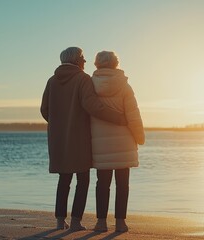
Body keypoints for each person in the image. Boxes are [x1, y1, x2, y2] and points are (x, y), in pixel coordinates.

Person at [40, 47, 127, 231]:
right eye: (82, 57)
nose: (85, 60)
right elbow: (93, 106)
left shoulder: (52, 81)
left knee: (64, 179)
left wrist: (58, 125)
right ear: (75, 60)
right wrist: (119, 118)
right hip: (80, 137)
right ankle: (76, 222)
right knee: (83, 179)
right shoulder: (82, 79)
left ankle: (59, 221)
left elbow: (44, 109)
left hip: (59, 139)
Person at [90, 51, 145, 233]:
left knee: (102, 183)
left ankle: (101, 222)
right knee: (123, 184)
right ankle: (120, 222)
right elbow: (133, 115)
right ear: (115, 64)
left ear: (97, 64)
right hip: (124, 142)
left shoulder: (90, 85)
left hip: (100, 143)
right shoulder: (124, 86)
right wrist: (140, 137)